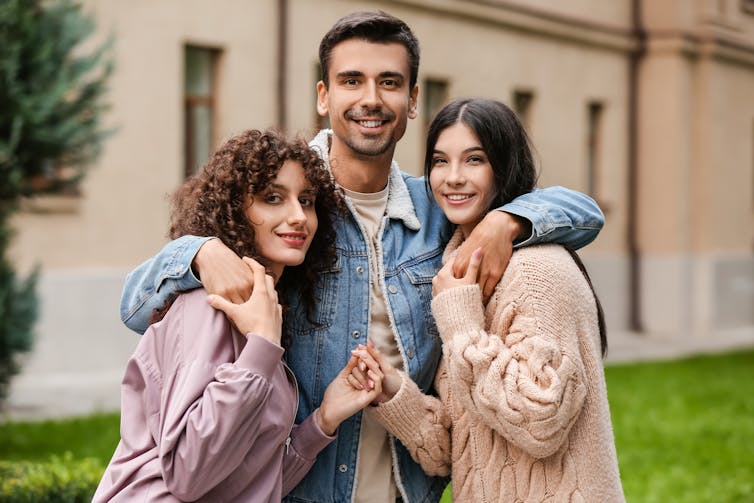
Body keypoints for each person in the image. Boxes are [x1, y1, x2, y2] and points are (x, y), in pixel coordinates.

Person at [118, 11, 606, 503]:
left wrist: (510, 220)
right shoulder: (286, 210)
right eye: (352, 80)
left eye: (389, 82)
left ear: (412, 100)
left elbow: (583, 212)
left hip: (406, 489)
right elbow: (136, 307)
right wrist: (197, 251)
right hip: (297, 487)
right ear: (324, 96)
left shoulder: (438, 214)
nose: (370, 99)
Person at [350, 98, 624, 502]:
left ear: (504, 166)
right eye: (440, 162)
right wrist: (395, 395)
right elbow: (468, 445)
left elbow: (539, 420)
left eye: (474, 160)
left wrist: (461, 323)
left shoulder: (537, 271)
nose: (453, 178)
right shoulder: (458, 267)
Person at [94, 129, 386, 502]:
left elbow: (247, 482)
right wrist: (262, 347)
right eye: (272, 198)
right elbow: (189, 473)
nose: (298, 216)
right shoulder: (207, 307)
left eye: (307, 200)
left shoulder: (261, 311)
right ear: (235, 209)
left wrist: (323, 419)